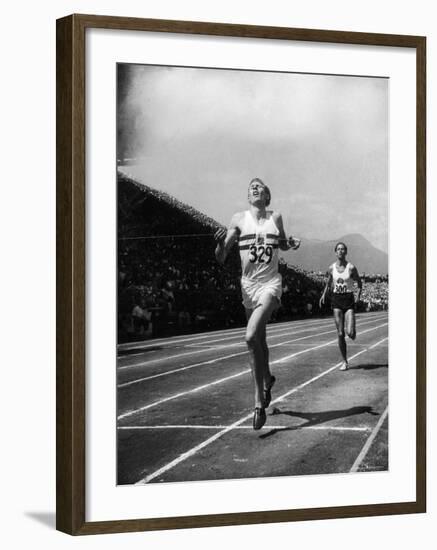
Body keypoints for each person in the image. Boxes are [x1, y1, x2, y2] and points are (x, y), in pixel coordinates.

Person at [214, 178, 301, 430]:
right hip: (248, 286)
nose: (254, 188)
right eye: (251, 187)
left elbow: (282, 244)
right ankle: (268, 380)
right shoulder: (238, 219)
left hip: (271, 284)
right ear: (248, 196)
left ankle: (258, 402)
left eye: (259, 186)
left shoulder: (277, 217)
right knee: (260, 340)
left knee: (251, 336)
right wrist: (220, 244)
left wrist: (291, 244)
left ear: (267, 195)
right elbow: (221, 258)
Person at [319, 242, 362, 371]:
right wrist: (323, 295)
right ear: (335, 252)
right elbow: (328, 283)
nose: (340, 251)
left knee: (350, 333)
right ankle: (344, 361)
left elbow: (359, 283)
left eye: (343, 249)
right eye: (338, 249)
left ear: (346, 252)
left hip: (348, 300)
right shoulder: (331, 268)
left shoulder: (351, 268)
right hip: (336, 300)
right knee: (340, 333)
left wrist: (358, 296)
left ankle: (352, 330)